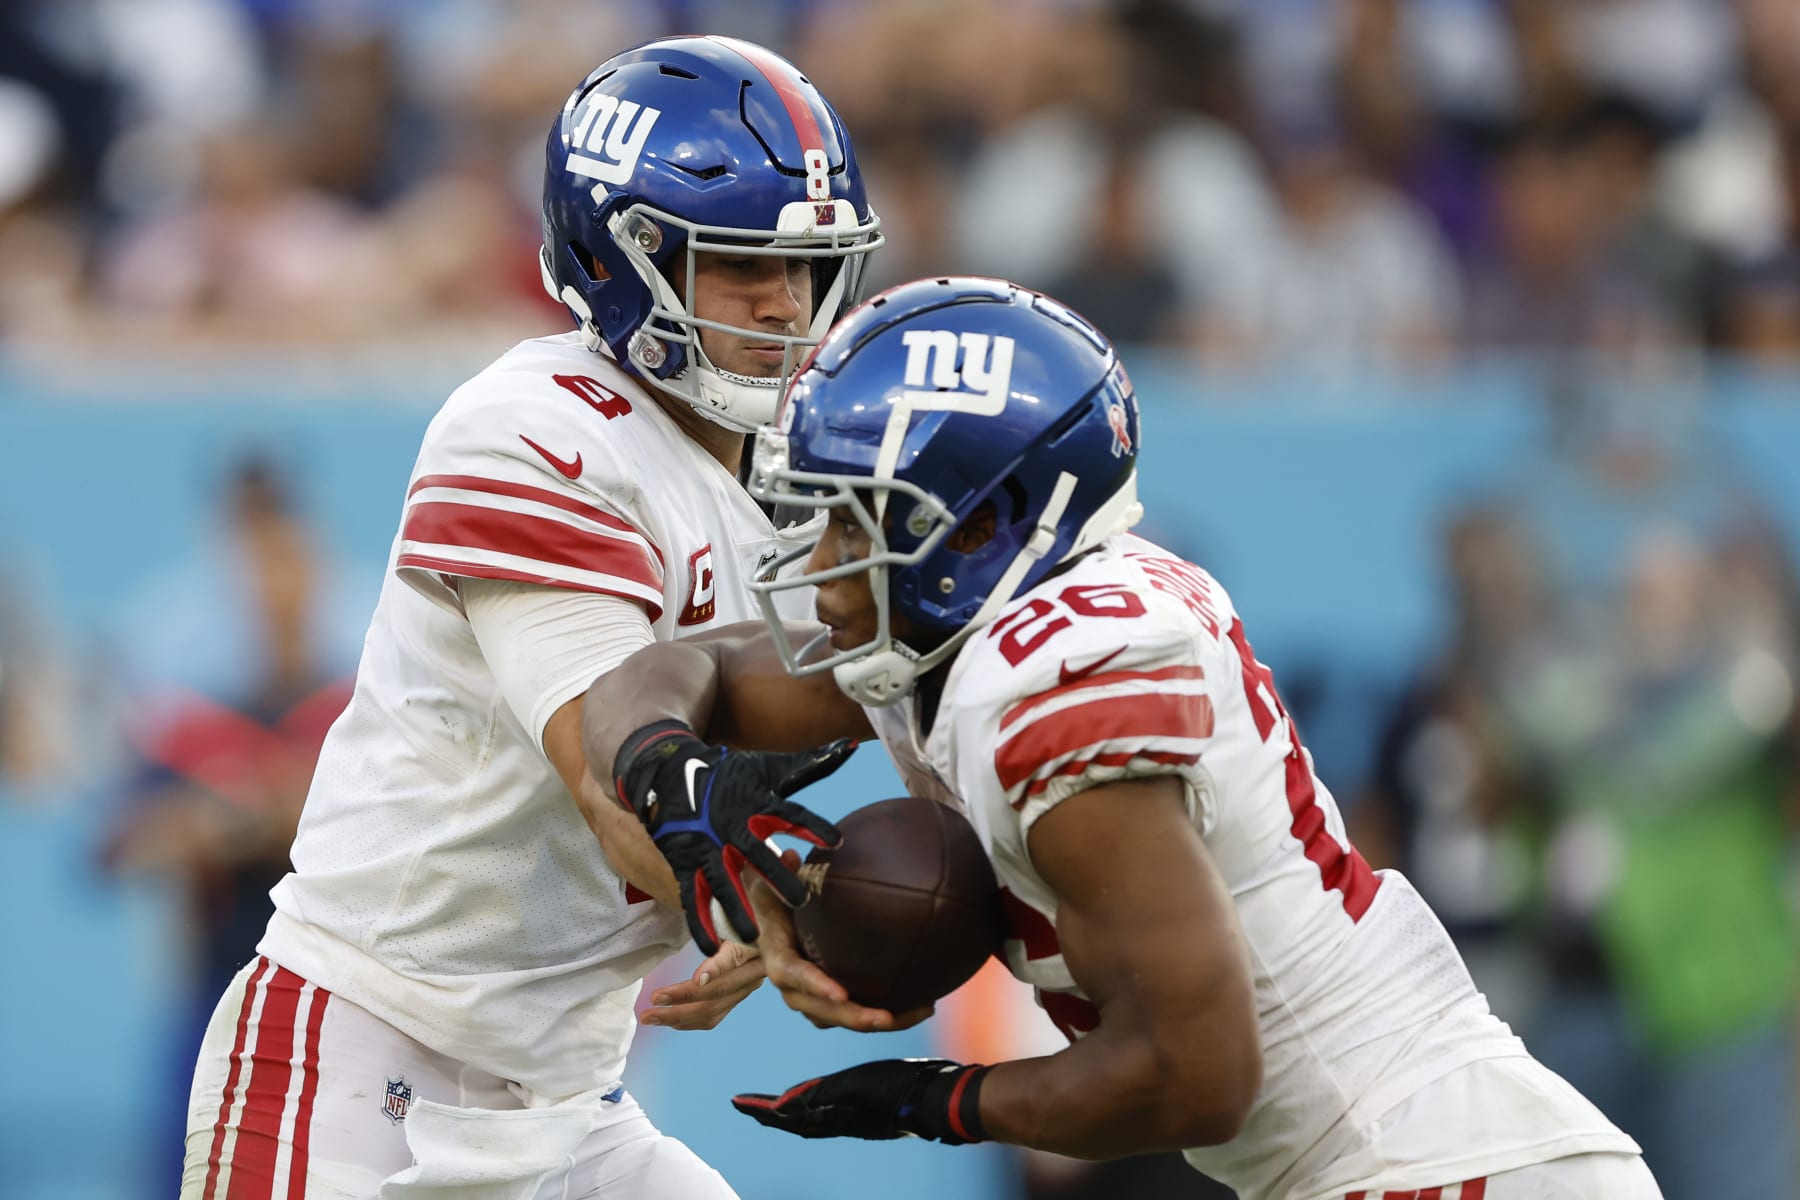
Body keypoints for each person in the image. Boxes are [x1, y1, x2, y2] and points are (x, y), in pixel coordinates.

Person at [583, 277, 1663, 1199]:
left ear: (977, 525)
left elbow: (1201, 1075)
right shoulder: (967, 629)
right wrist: (665, 776)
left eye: (852, 514)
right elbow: (686, 671)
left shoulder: (1042, 680)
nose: (822, 557)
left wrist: (937, 1100)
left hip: (1432, 1158)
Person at [179, 34, 880, 1200]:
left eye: (806, 269)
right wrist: (786, 903)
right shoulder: (536, 428)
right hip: (367, 1062)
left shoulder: (813, 479)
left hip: (565, 1102)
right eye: (740, 264)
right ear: (625, 258)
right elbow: (620, 788)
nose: (785, 304)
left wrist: (774, 896)